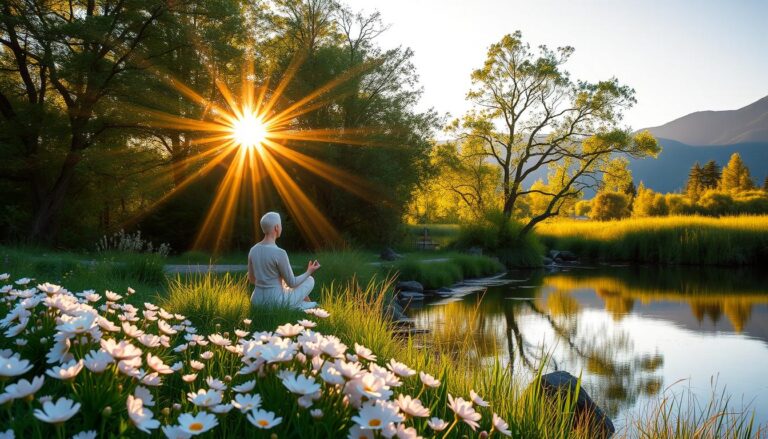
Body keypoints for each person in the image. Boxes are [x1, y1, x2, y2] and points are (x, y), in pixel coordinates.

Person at [247, 212, 321, 309]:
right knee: (310, 280)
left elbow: (252, 279)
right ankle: (310, 306)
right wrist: (309, 271)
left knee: (287, 289)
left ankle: (306, 306)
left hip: (256, 301)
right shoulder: (280, 253)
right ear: (277, 227)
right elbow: (292, 283)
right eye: (281, 225)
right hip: (276, 302)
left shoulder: (253, 250)